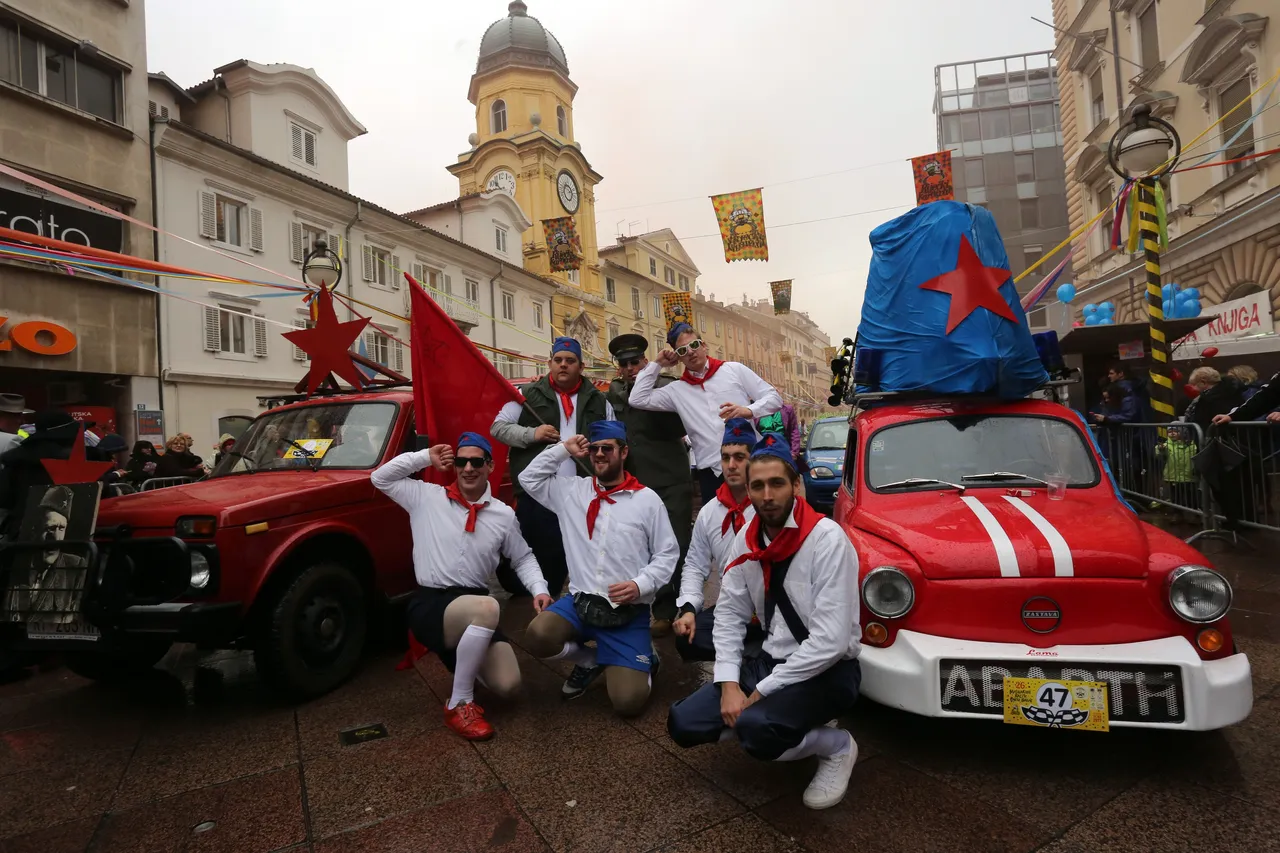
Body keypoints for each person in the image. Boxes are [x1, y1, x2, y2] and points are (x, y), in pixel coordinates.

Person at [667, 432, 862, 811]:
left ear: (796, 485)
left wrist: (763, 691)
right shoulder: (746, 539)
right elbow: (728, 615)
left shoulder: (827, 540)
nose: (767, 495)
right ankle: (788, 722)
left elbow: (831, 642)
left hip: (830, 670)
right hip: (772, 659)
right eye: (758, 485)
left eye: (776, 483)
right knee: (683, 723)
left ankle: (838, 747)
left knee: (758, 730)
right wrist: (727, 683)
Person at [371, 432, 552, 740]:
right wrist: (425, 456)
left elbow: (522, 558)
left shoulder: (502, 515)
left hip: (475, 608)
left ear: (490, 466)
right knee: (488, 606)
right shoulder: (426, 497)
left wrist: (540, 589)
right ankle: (459, 702)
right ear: (453, 466)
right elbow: (380, 478)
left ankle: (464, 658)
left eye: (477, 461)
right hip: (432, 605)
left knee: (508, 686)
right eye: (461, 461)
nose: (468, 468)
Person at [518, 421, 678, 715]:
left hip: (626, 614)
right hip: (581, 604)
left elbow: (668, 554)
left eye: (608, 448)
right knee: (538, 636)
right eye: (594, 449)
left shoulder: (646, 500)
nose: (600, 454)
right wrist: (563, 450)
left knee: (627, 703)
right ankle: (591, 660)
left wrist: (640, 585)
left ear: (624, 452)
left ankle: (646, 660)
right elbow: (528, 479)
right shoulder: (572, 493)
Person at [491, 337, 615, 598]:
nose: (563, 365)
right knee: (538, 556)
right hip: (538, 493)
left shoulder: (598, 400)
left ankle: (578, 608)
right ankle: (538, 611)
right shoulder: (526, 395)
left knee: (583, 555)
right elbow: (499, 428)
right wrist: (532, 434)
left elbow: (613, 438)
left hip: (583, 492)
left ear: (581, 366)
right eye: (558, 360)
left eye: (570, 361)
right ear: (549, 363)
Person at [629, 322, 782, 507]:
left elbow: (774, 398)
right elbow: (637, 398)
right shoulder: (676, 390)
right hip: (711, 473)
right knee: (719, 528)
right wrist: (657, 364)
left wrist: (749, 411)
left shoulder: (733, 370)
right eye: (683, 351)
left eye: (694, 345)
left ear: (703, 345)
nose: (691, 352)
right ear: (678, 358)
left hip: (750, 463)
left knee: (760, 520)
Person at [606, 333, 694, 638]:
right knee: (641, 547)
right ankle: (647, 605)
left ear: (646, 361)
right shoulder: (614, 392)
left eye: (636, 362)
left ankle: (673, 609)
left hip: (671, 478)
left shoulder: (667, 386)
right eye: (625, 364)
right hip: (636, 483)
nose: (631, 368)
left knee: (676, 545)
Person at [673, 417, 765, 662]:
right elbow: (694, 565)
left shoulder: (768, 505)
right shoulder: (709, 512)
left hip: (774, 609)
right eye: (726, 458)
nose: (731, 465)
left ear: (753, 461)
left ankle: (751, 654)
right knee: (686, 637)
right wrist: (690, 608)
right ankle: (750, 655)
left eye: (739, 457)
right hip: (734, 607)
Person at [4, 485, 90, 625]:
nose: (56, 538)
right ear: (34, 530)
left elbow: (75, 618)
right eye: (50, 528)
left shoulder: (74, 567)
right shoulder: (15, 564)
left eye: (61, 528)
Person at [0, 411, 79, 541]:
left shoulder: (16, 460)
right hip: (70, 535)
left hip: (20, 534)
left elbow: (4, 498)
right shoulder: (77, 461)